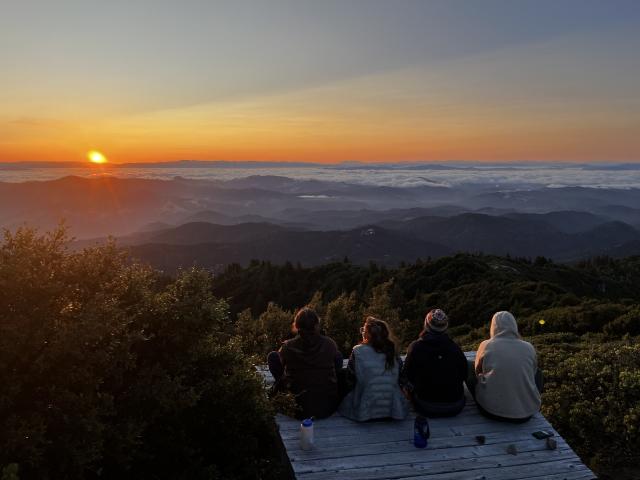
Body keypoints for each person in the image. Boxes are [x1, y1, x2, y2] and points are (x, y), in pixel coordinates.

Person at [267, 307, 342, 419]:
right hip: (326, 407)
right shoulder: (329, 344)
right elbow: (337, 364)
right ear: (317, 325)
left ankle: (282, 386)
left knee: (273, 356)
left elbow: (280, 362)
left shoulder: (287, 347)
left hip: (297, 407)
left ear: (296, 325)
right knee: (338, 356)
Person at [466, 311, 542, 423]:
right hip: (526, 414)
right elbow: (533, 371)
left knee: (469, 366)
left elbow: (478, 373)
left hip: (491, 411)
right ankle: (527, 400)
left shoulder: (486, 345)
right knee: (538, 373)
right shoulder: (529, 347)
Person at [338, 317, 408, 422]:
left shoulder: (358, 352)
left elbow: (349, 381)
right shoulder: (392, 351)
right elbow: (401, 380)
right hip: (392, 408)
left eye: (363, 330)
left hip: (365, 409)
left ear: (367, 335)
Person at [402, 308, 468, 417]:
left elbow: (407, 376)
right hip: (455, 405)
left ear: (426, 326)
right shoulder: (455, 348)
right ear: (445, 327)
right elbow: (464, 374)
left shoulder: (416, 347)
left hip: (425, 406)